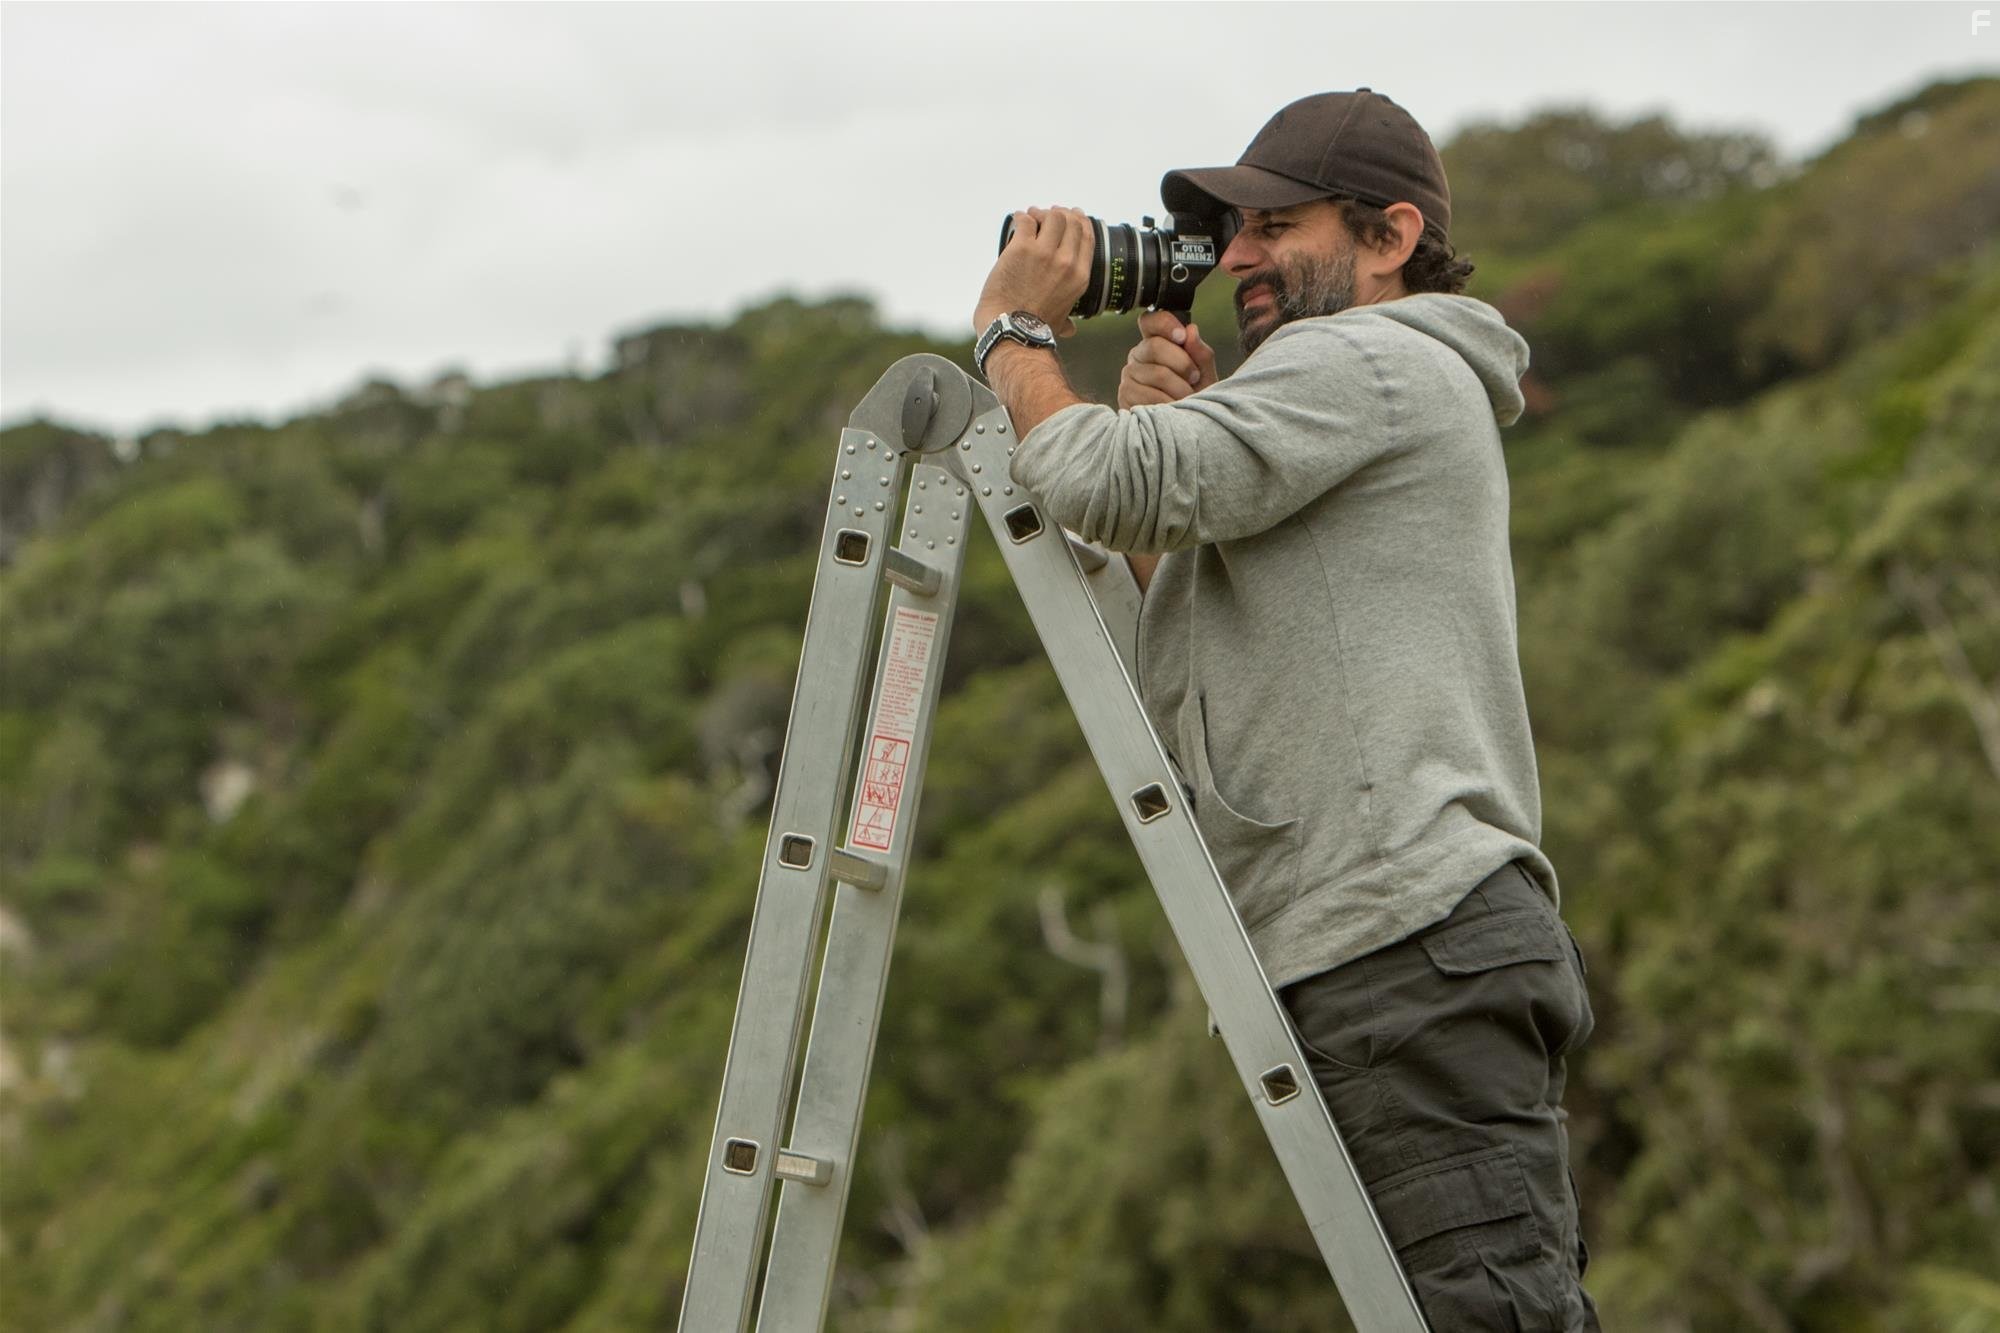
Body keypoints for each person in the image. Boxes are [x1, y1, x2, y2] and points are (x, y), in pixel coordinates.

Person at [969, 89, 1601, 1330]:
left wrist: (1010, 336)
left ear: (1388, 235)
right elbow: (1185, 603)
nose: (1239, 258)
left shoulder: (1362, 356)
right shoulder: (1366, 390)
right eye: (1227, 233)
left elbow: (1104, 481)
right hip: (1404, 940)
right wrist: (1162, 427)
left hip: (1396, 935)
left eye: (1275, 226)